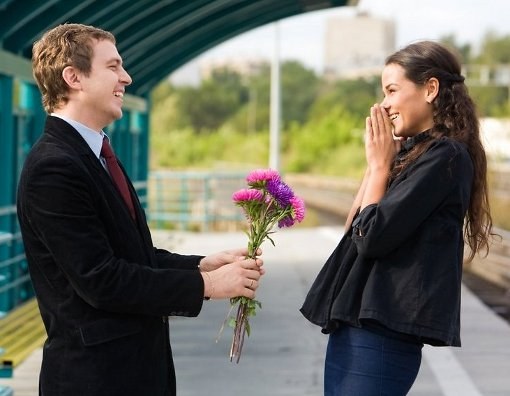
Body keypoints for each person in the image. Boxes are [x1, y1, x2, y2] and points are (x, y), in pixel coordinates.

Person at [16, 23, 264, 396]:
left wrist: (199, 264)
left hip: (129, 373)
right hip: (95, 380)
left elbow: (128, 255)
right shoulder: (55, 167)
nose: (126, 78)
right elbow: (101, 279)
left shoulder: (92, 154)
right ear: (73, 78)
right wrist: (208, 286)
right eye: (113, 67)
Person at [301, 40, 495, 396]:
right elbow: (353, 232)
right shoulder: (413, 154)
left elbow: (372, 237)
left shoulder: (445, 157)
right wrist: (379, 163)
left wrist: (379, 168)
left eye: (392, 90)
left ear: (431, 88)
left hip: (383, 331)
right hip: (360, 325)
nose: (385, 104)